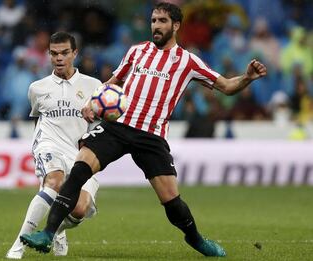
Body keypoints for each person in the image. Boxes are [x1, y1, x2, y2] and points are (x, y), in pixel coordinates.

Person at [20, 2, 267, 257]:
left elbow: (226, 86)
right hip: (118, 126)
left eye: (161, 21)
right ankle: (47, 233)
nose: (156, 26)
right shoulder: (137, 52)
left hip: (151, 136)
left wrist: (247, 77)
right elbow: (113, 82)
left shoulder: (188, 62)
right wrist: (93, 102)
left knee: (171, 202)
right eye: (153, 21)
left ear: (176, 25)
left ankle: (195, 239)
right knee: (79, 168)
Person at [6, 32, 101, 259]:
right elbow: (37, 118)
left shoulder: (93, 85)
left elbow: (100, 123)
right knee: (54, 181)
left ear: (75, 53)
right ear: (49, 55)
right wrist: (41, 148)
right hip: (49, 144)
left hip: (80, 152)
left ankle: (56, 230)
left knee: (80, 209)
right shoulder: (37, 88)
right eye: (54, 53)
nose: (59, 58)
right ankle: (17, 246)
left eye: (64, 53)